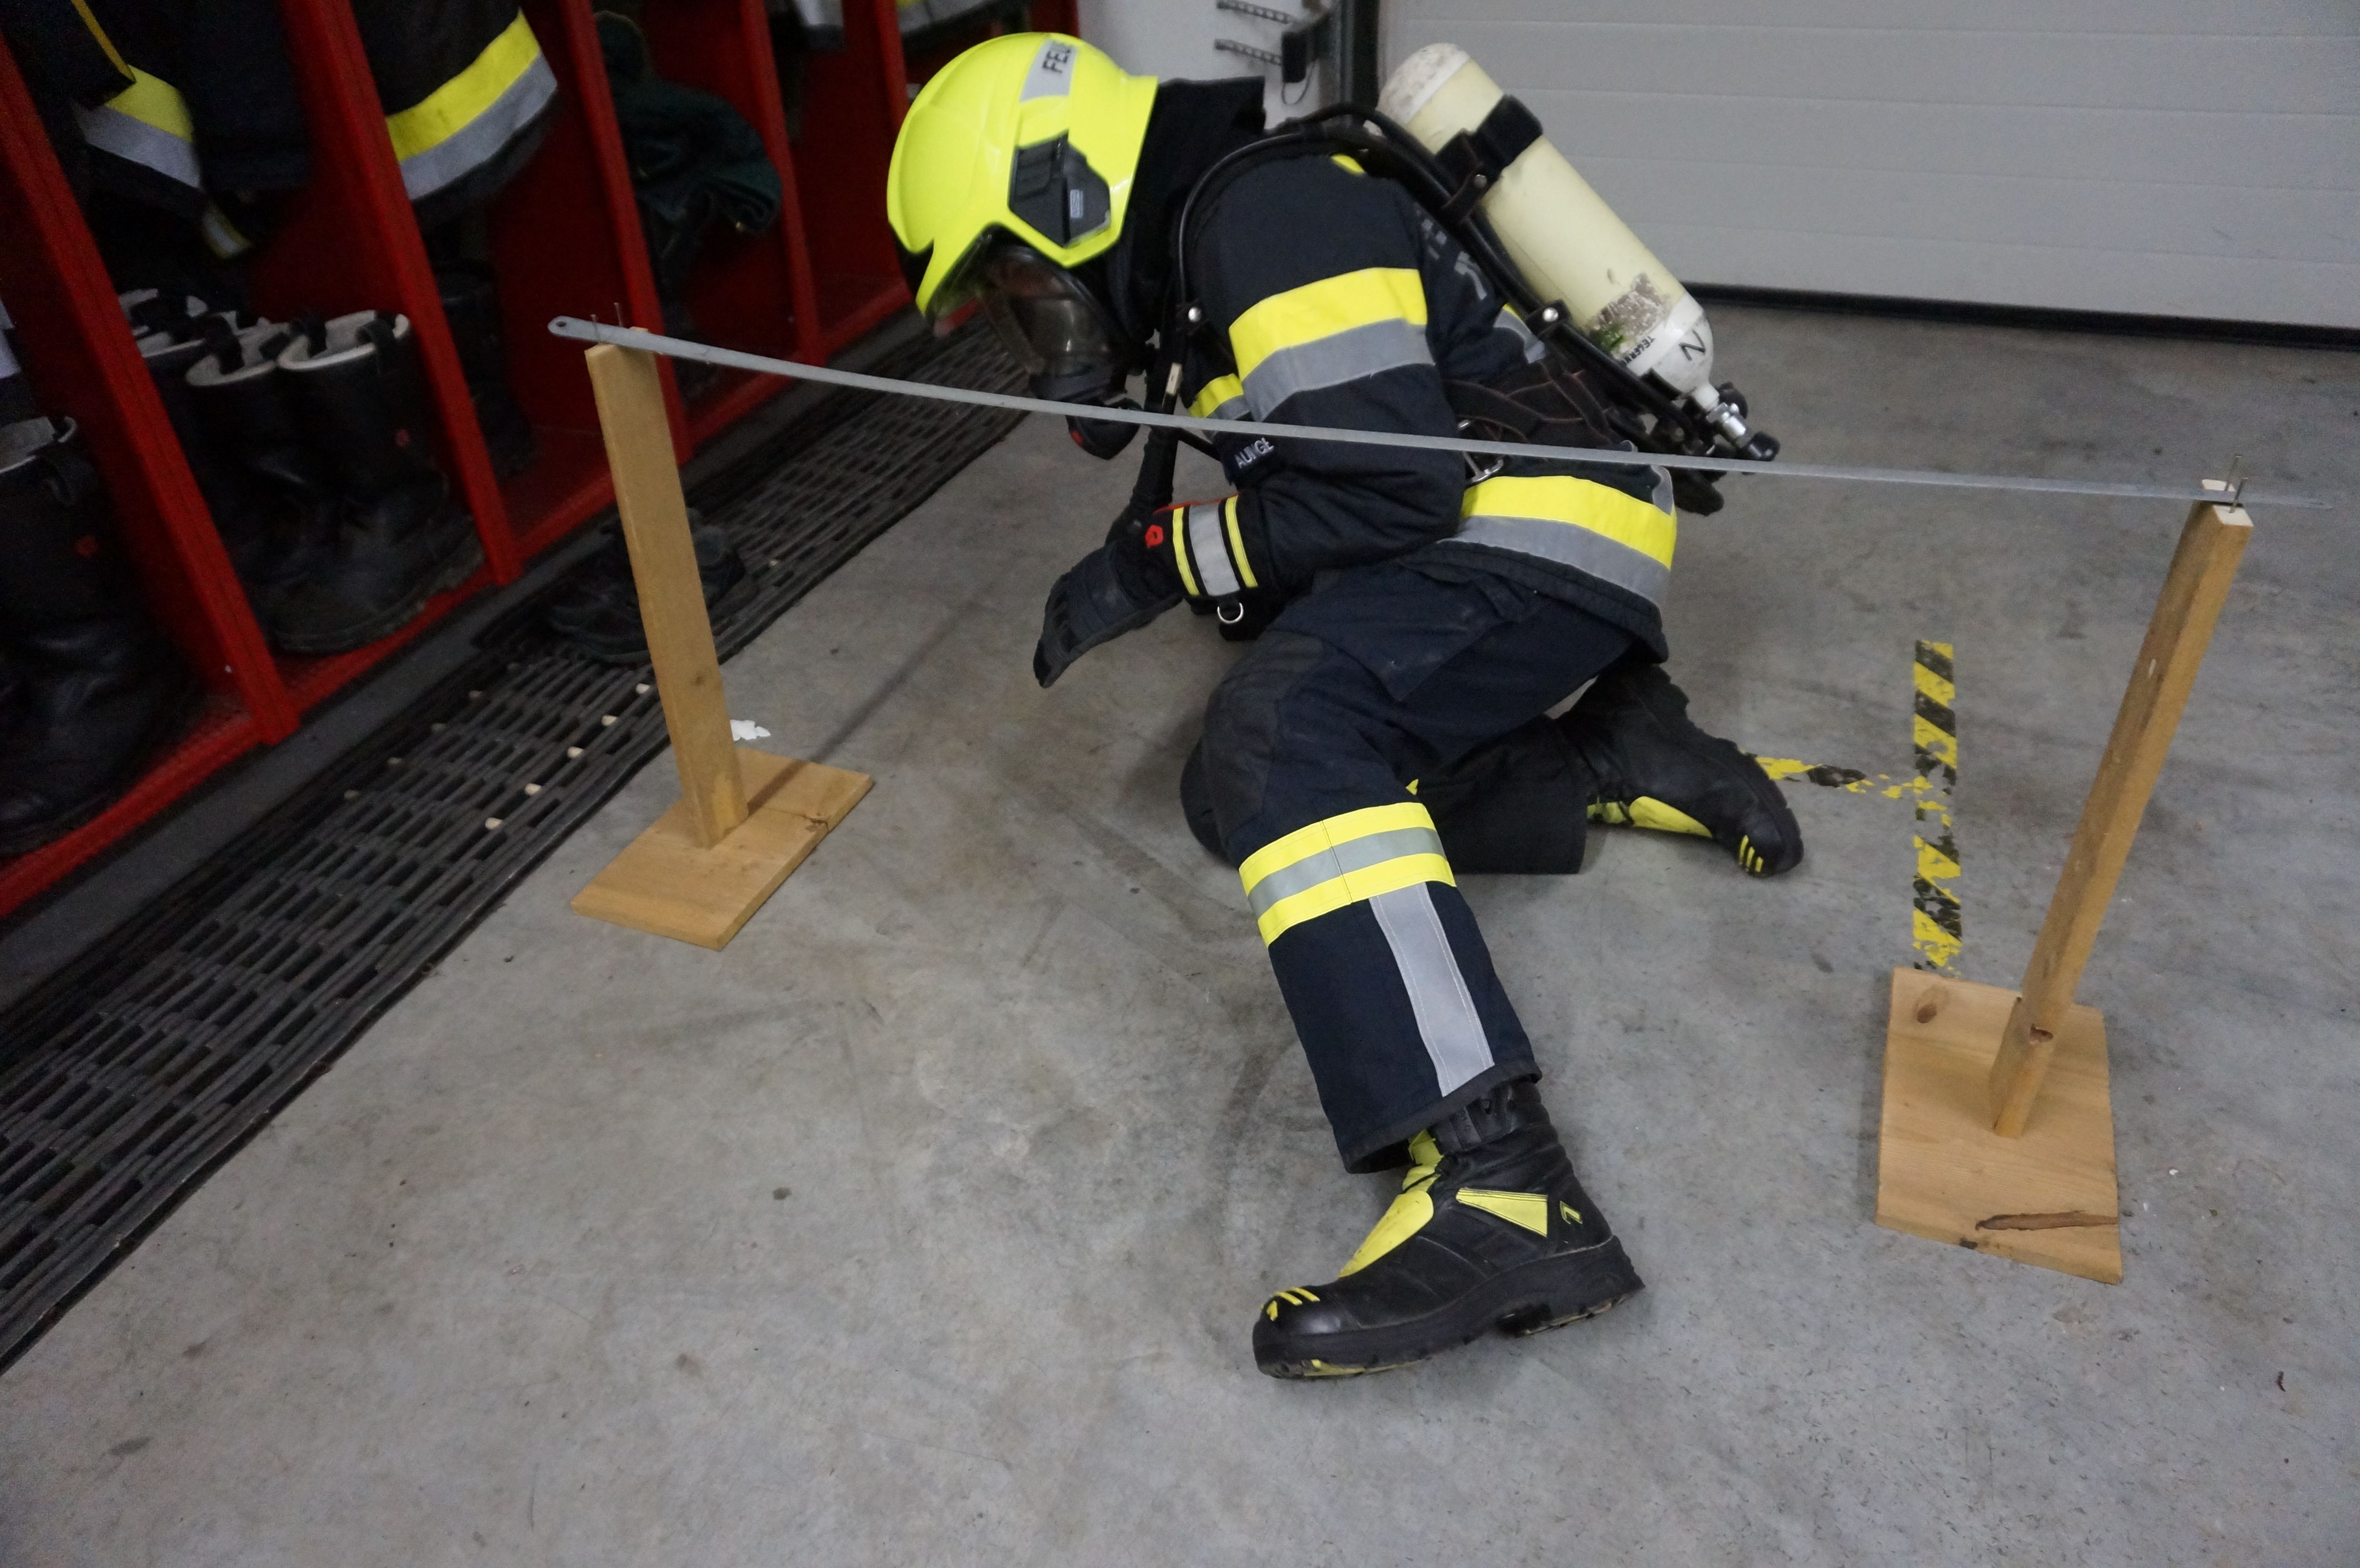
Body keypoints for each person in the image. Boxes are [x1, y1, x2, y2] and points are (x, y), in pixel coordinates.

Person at [885, 35, 1804, 1379]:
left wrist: (1163, 559)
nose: (1039, 329)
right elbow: (1330, 480)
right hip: (1514, 529)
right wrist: (1184, 553)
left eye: (1019, 285)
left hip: (1542, 529)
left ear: (1066, 193)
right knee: (1234, 794)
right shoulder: (1214, 243)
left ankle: (1507, 1189)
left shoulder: (1267, 216)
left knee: (1286, 728)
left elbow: (1389, 492)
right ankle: (1606, 755)